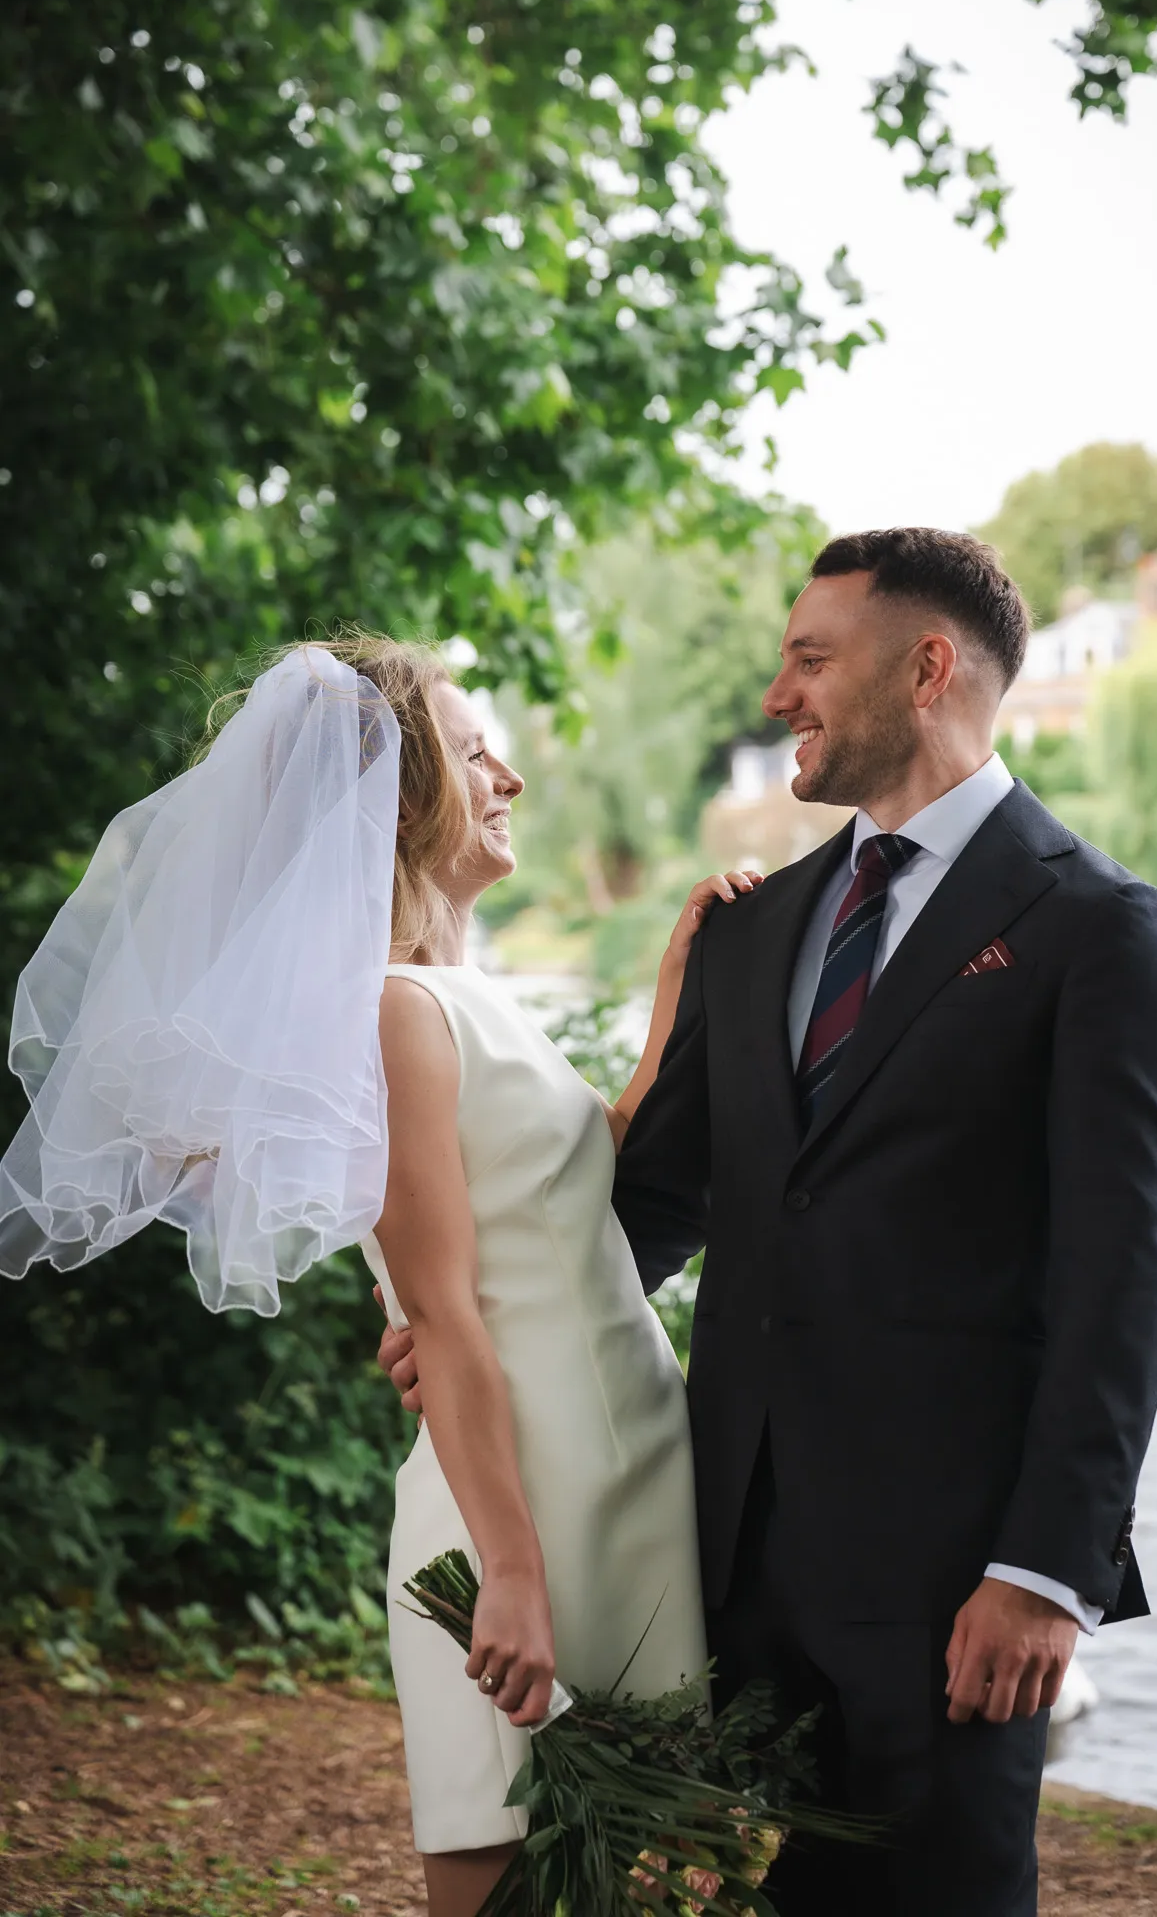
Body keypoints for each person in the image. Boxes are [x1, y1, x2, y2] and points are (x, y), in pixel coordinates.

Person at [384, 527, 1157, 1914]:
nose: (778, 694)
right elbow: (650, 1200)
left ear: (927, 668)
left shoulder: (1102, 937)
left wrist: (1044, 1571)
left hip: (954, 1588)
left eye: (810, 659)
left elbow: (1125, 1283)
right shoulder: (754, 931)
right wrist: (483, 1314)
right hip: (720, 1566)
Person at [0, 635, 757, 1917]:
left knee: (632, 1887)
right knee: (498, 1873)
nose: (508, 776)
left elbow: (580, 1189)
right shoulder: (393, 1011)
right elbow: (445, 1313)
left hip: (627, 1473)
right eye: (474, 756)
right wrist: (509, 1573)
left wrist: (677, 988)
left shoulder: (474, 998)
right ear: (400, 803)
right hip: (516, 1502)